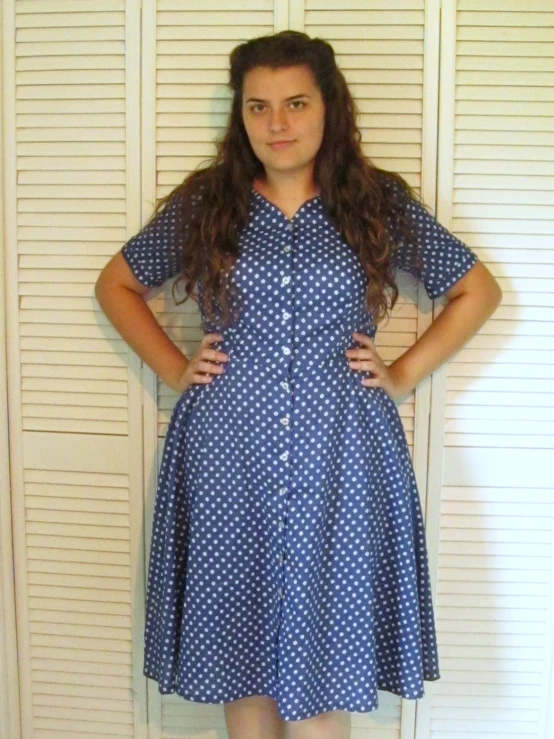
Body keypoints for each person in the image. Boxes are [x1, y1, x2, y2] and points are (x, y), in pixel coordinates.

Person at [95, 30, 502, 739]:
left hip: (341, 451)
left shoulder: (373, 202)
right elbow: (118, 284)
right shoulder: (208, 203)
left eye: (294, 103)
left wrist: (400, 372)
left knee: (322, 674)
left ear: (328, 106)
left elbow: (476, 290)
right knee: (242, 658)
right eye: (258, 107)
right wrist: (174, 367)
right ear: (241, 116)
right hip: (229, 450)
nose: (276, 124)